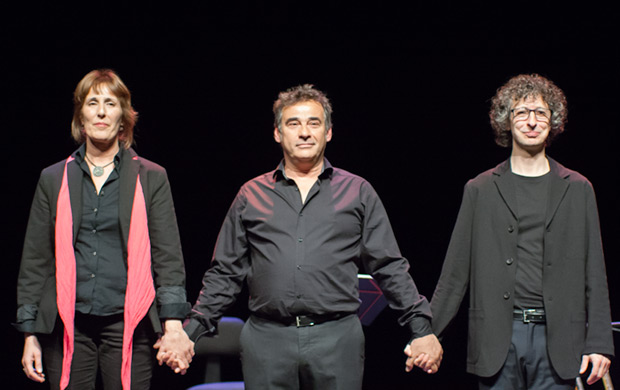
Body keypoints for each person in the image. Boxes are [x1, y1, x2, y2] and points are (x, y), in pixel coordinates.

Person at [181, 84, 443, 389]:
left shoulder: (357, 192)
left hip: (337, 339)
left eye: (313, 123)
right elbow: (225, 273)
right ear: (278, 133)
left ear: (328, 132)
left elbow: (389, 266)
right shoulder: (250, 195)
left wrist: (421, 328)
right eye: (293, 123)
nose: (304, 132)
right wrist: (188, 332)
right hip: (267, 340)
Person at [430, 74, 614, 389]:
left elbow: (594, 271)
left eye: (540, 113)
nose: (531, 121)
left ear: (553, 121)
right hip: (498, 338)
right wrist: (428, 332)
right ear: (507, 121)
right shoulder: (481, 188)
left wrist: (598, 341)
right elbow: (455, 272)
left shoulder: (579, 188)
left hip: (557, 339)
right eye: (521, 113)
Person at [15, 69, 194, 390]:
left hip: (131, 322)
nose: (100, 111)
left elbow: (168, 256)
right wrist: (31, 334)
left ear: (123, 118)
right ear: (80, 116)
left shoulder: (151, 176)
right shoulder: (54, 178)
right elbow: (35, 260)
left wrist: (173, 325)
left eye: (110, 104)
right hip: (69, 325)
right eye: (92, 102)